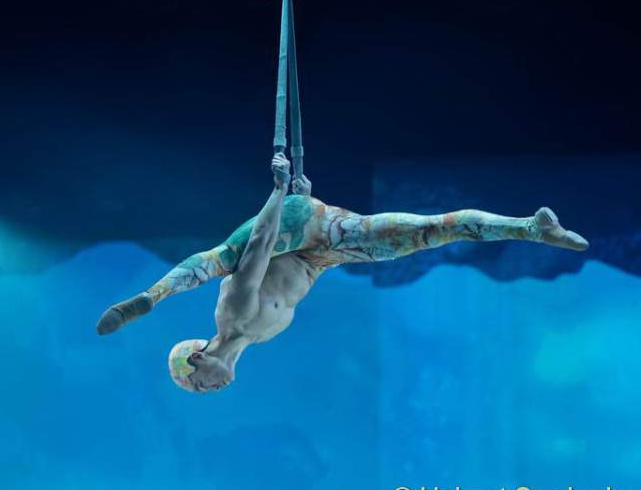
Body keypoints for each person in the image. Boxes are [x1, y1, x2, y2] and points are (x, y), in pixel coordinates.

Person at [95, 154, 589, 394]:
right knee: (434, 231)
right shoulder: (259, 338)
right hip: (329, 248)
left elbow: (262, 244)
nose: (209, 391)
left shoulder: (233, 314)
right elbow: (302, 278)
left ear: (197, 358)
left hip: (298, 227)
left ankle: (147, 298)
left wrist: (280, 192)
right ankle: (531, 228)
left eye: (199, 385)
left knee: (222, 257)